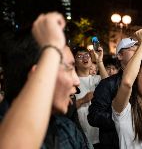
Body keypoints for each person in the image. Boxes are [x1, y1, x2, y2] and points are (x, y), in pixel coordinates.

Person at [0, 12, 87, 148]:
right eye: (69, 68)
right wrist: (51, 47)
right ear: (37, 74)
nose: (77, 82)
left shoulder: (68, 130)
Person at [88, 35, 140, 149]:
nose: (137, 52)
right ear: (120, 55)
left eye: (139, 49)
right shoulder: (108, 84)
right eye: (132, 49)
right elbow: (94, 116)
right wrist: (120, 118)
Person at [74, 46, 108, 148]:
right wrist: (83, 100)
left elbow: (108, 84)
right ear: (74, 62)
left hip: (99, 135)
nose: (84, 58)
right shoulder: (72, 81)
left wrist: (99, 61)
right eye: (79, 56)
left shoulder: (97, 79)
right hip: (80, 136)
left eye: (87, 55)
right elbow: (65, 109)